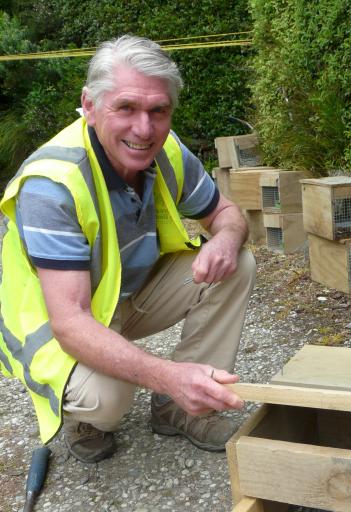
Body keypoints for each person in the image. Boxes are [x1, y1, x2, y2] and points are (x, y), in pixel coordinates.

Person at [0, 35, 256, 463]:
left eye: (159, 111)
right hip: (61, 322)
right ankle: (84, 415)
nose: (144, 129)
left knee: (239, 263)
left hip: (121, 299)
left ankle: (179, 409)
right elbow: (70, 323)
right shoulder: (52, 184)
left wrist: (227, 240)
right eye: (126, 108)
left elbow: (226, 214)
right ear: (90, 104)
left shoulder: (168, 150)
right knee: (109, 396)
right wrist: (167, 375)